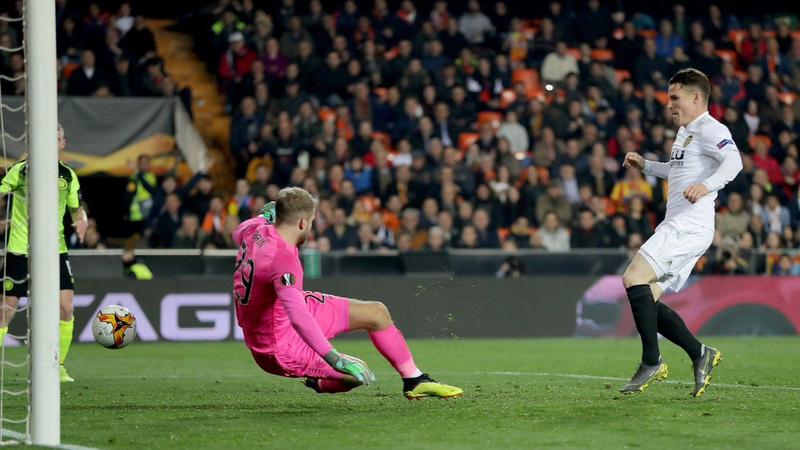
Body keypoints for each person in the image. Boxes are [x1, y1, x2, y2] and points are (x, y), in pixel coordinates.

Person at [232, 188, 462, 399]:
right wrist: (333, 357)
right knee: (356, 373)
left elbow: (239, 231)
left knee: (377, 313)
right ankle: (315, 381)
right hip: (277, 345)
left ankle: (414, 380)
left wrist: (266, 216)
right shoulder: (283, 258)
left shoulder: (255, 230)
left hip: (282, 312)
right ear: (302, 222)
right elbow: (298, 317)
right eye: (312, 222)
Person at [620, 69, 742, 397]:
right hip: (682, 225)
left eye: (675, 97)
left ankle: (651, 361)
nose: (668, 104)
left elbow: (734, 162)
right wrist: (646, 165)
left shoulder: (709, 128)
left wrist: (706, 186)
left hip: (689, 225)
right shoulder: (685, 133)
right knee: (649, 300)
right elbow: (677, 172)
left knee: (633, 278)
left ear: (696, 98)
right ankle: (700, 353)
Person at [0, 124, 89, 383]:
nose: (52, 142)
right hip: (20, 249)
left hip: (55, 251)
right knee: (6, 310)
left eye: (57, 138)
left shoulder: (69, 176)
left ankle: (57, 365)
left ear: (63, 143)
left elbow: (76, 209)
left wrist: (81, 220)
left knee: (65, 306)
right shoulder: (21, 170)